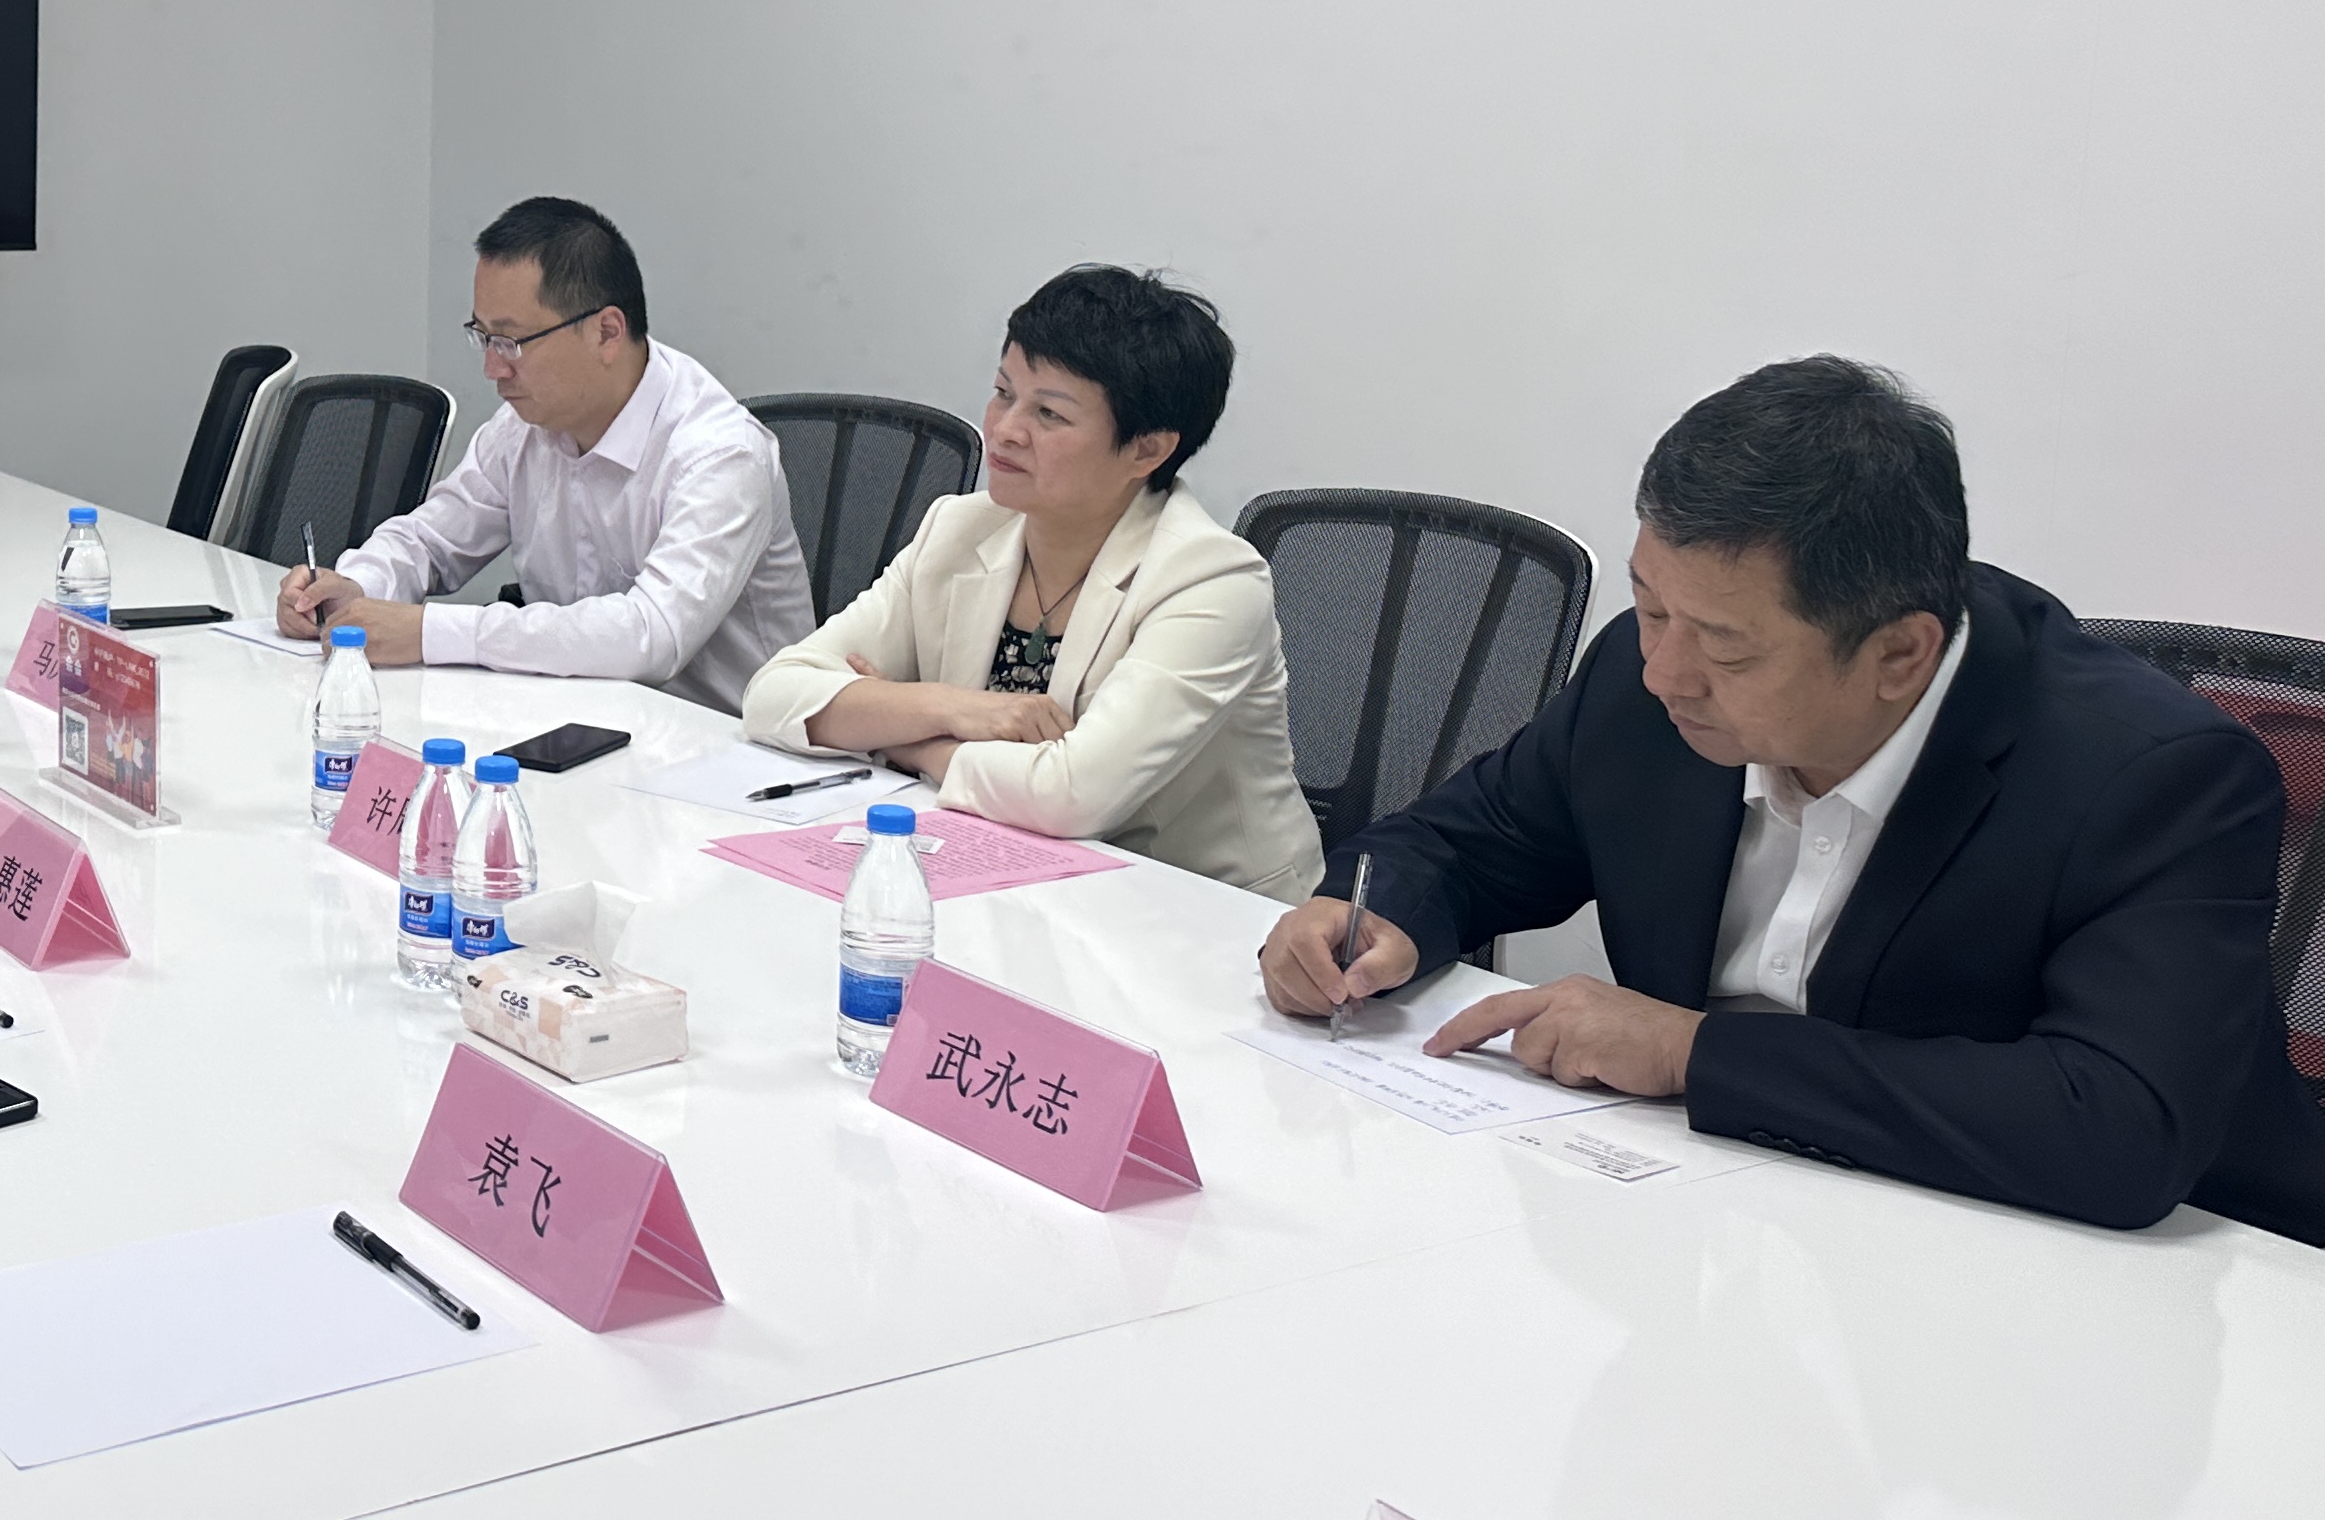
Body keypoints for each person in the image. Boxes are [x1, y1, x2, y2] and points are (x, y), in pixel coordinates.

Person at [1258, 357, 2325, 1241]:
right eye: (1650, 605)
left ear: (1900, 655)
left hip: (2092, 1276)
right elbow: (1478, 837)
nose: (1665, 671)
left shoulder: (2154, 777)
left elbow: (2117, 1127)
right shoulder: (1648, 681)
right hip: (1735, 1224)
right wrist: (1371, 912)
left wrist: (1692, 1053)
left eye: (1726, 648)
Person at [740, 266, 1323, 899]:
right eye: (1003, 392)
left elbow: (1071, 795)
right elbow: (774, 695)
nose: (1004, 429)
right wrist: (959, 709)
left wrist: (904, 742)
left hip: (1198, 907)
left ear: (1147, 450)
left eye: (1049, 413)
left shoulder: (1212, 581)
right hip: (1010, 873)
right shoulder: (959, 529)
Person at [275, 197, 813, 710]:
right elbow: (429, 540)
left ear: (606, 332)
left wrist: (428, 632)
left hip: (727, 749)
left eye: (511, 342)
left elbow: (651, 637)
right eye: (483, 337)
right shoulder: (525, 428)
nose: (493, 369)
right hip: (579, 720)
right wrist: (356, 588)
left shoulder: (719, 455)